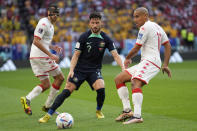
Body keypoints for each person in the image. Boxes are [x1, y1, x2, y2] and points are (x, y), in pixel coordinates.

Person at [38, 12, 125, 123]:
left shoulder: (106, 38)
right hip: (80, 70)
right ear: (89, 23)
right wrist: (71, 70)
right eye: (93, 23)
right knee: (67, 91)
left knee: (101, 88)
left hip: (94, 70)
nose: (95, 25)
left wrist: (123, 67)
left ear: (101, 23)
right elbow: (76, 55)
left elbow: (115, 55)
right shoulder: (84, 37)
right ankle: (48, 114)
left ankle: (98, 111)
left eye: (97, 23)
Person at [114, 7, 172, 124]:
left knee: (135, 82)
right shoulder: (157, 26)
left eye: (137, 16)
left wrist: (127, 58)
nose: (135, 19)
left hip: (151, 62)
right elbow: (167, 45)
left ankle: (137, 116)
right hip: (148, 61)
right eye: (134, 16)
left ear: (145, 16)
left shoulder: (144, 27)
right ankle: (127, 110)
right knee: (119, 79)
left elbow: (136, 48)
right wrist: (165, 64)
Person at [20, 3, 65, 115]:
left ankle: (27, 99)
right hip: (41, 56)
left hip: (35, 56)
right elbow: (36, 41)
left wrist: (52, 46)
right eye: (54, 14)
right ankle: (48, 106)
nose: (56, 17)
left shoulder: (50, 25)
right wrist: (50, 54)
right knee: (60, 78)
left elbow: (43, 41)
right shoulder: (44, 23)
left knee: (46, 84)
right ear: (49, 14)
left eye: (57, 14)